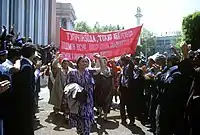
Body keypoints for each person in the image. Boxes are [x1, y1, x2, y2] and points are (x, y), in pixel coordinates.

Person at [66, 54, 105, 135]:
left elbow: (102, 69)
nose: (84, 63)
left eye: (86, 62)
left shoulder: (89, 71)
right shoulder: (72, 73)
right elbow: (67, 86)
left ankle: (86, 132)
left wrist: (100, 59)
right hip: (76, 101)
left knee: (86, 120)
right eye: (82, 61)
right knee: (79, 123)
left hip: (87, 100)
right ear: (78, 63)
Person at [12, 43, 36, 135]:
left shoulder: (22, 63)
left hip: (21, 103)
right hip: (25, 103)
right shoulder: (26, 67)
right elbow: (25, 87)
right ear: (32, 53)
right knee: (26, 126)